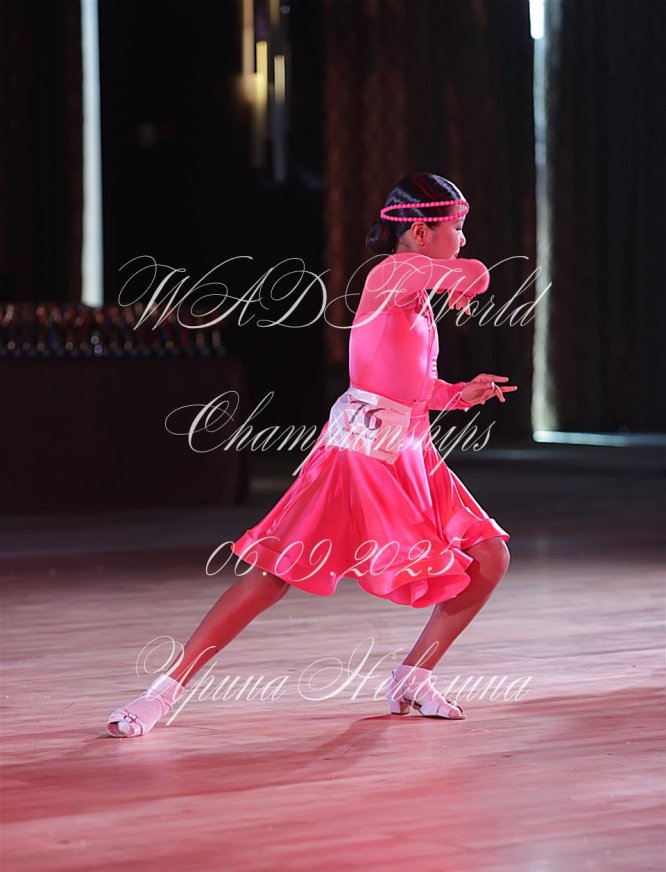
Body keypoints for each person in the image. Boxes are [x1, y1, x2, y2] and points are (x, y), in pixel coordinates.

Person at [106, 172, 516, 738]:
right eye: (458, 227)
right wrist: (465, 277)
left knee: (490, 555)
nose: (464, 239)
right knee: (272, 575)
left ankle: (413, 677)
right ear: (421, 232)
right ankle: (162, 691)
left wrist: (459, 394)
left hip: (409, 448)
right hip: (358, 455)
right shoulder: (389, 274)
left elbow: (410, 386)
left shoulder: (416, 292)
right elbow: (475, 273)